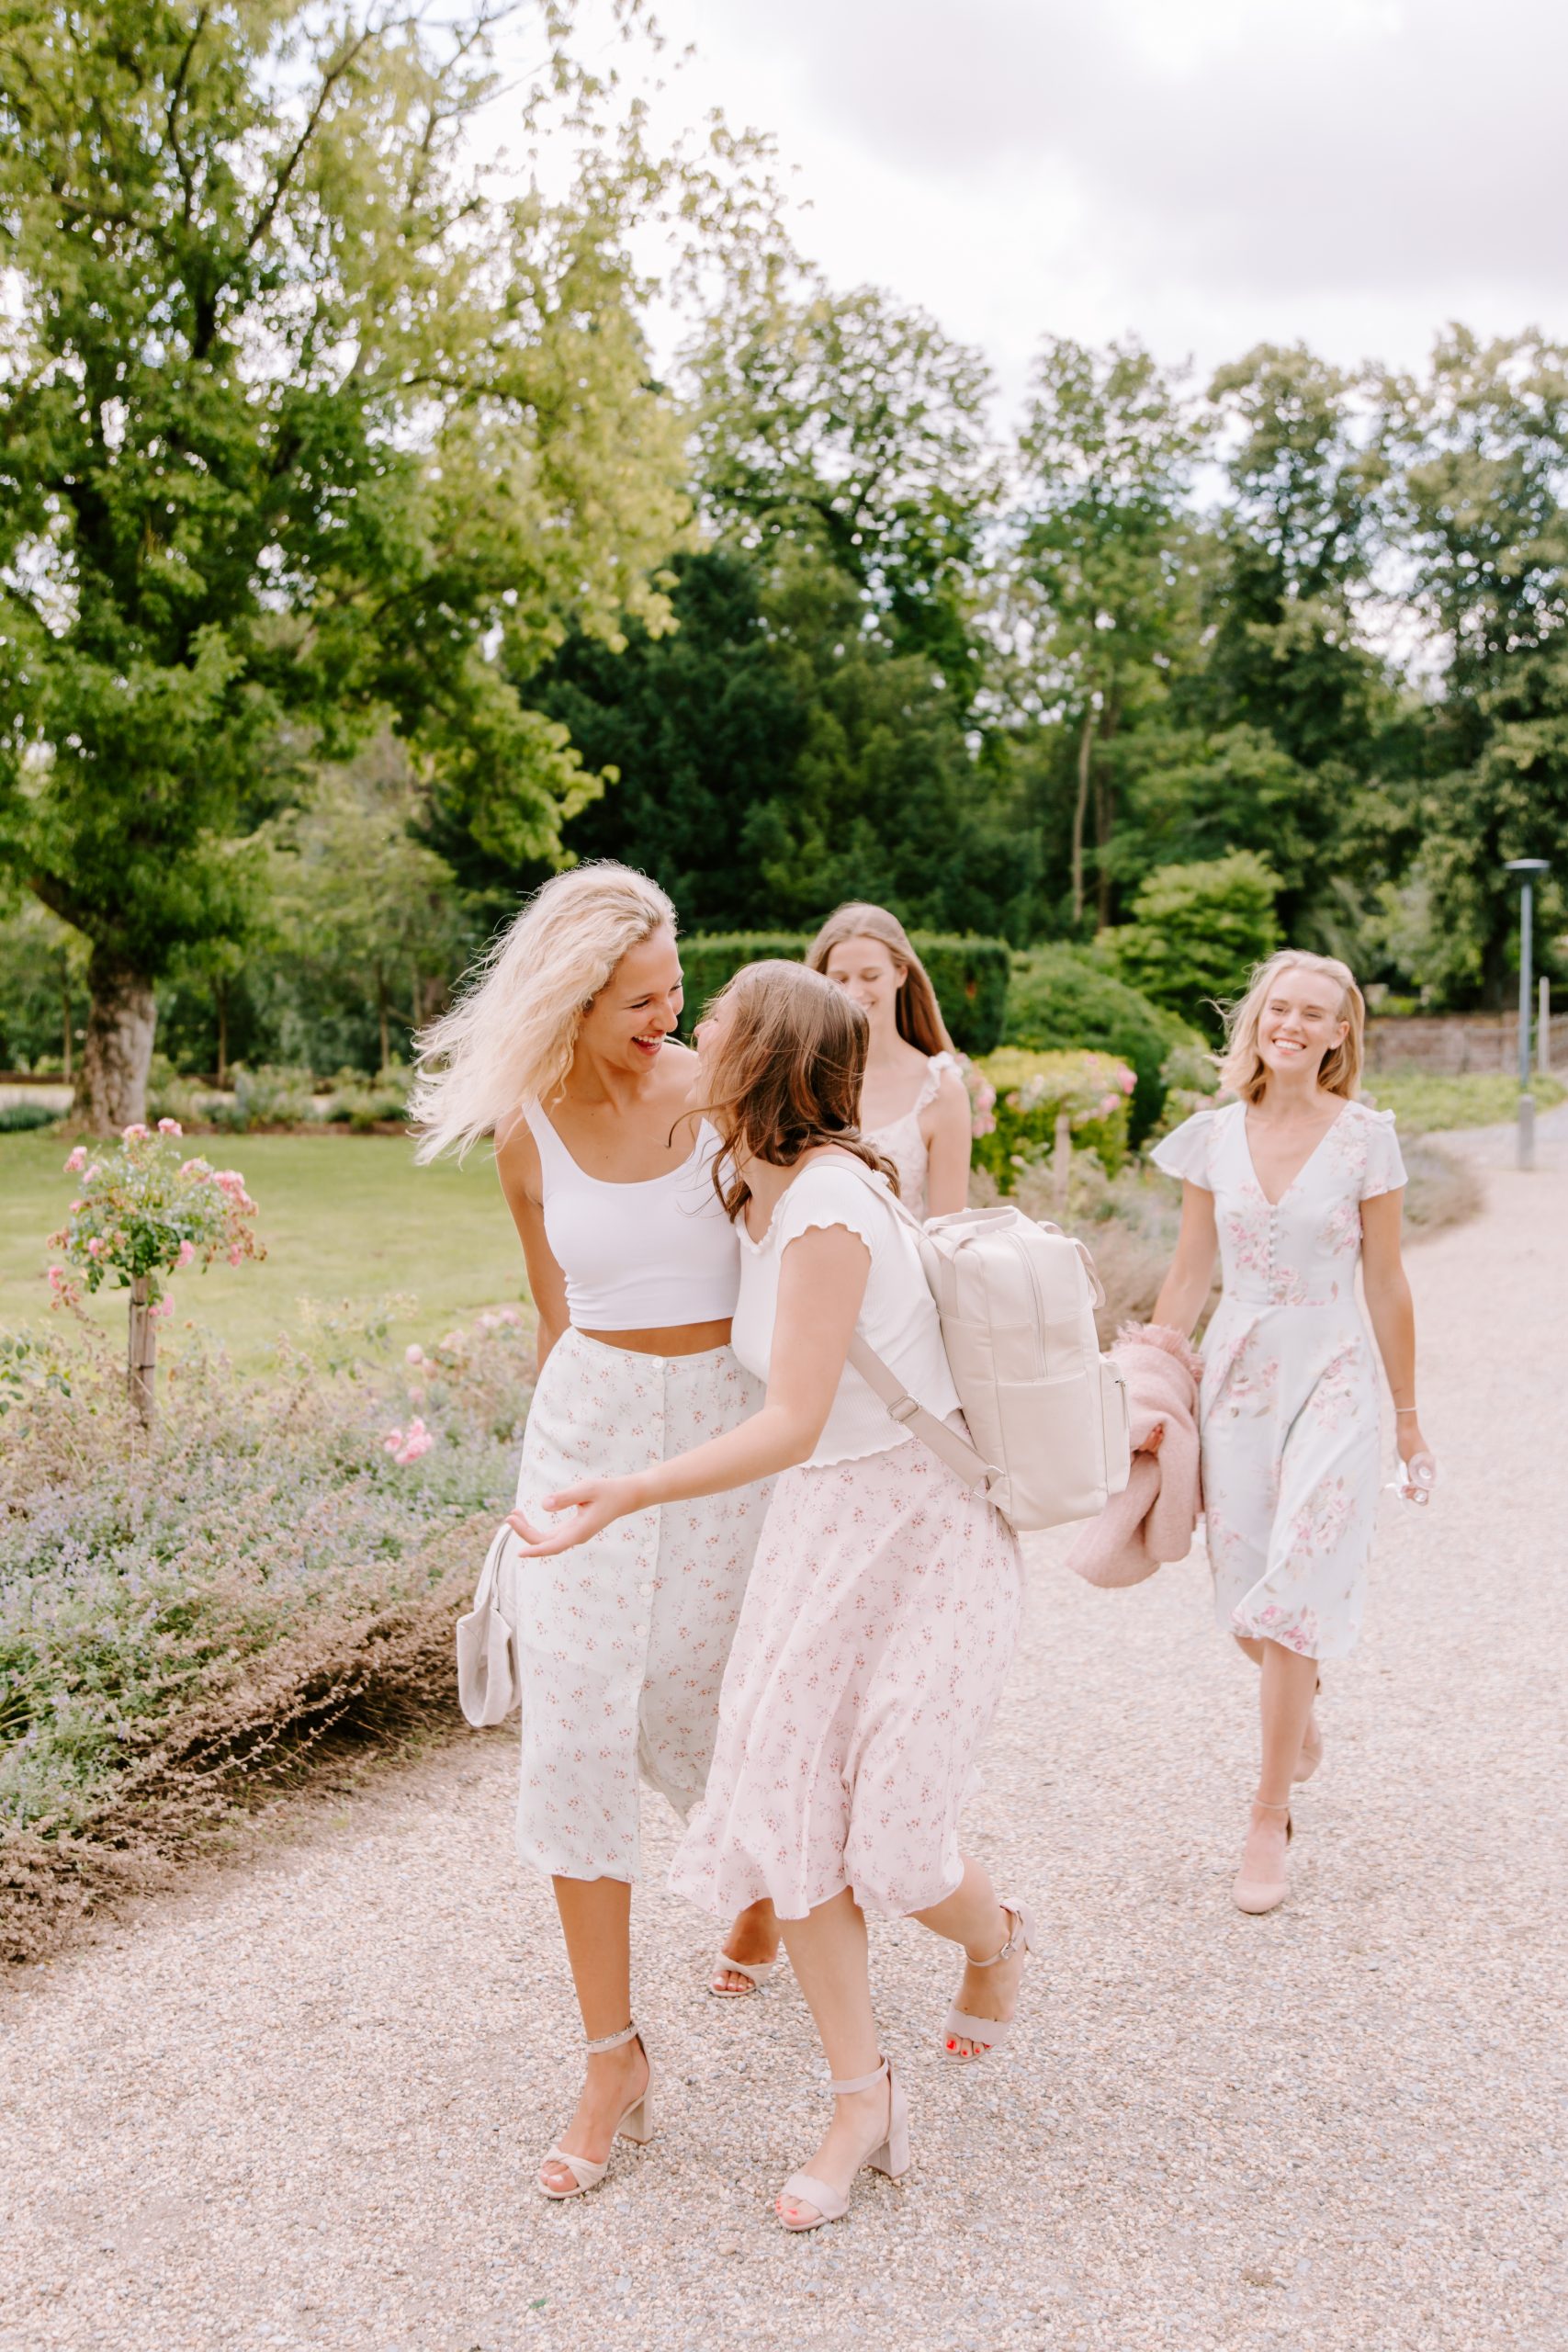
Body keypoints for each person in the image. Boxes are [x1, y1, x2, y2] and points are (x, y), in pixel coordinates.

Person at [508, 961, 1032, 2231]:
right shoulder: (752, 1183)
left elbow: (791, 1421)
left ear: (758, 1064)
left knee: (894, 1846)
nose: (687, 1034)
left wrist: (630, 1490)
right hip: (816, 1529)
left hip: (912, 1533)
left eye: (711, 1022)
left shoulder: (828, 1208)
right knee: (795, 1816)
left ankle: (994, 1935)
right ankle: (862, 2098)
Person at [412, 865, 776, 2199]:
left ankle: (754, 1874)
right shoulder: (527, 1134)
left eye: (674, 990)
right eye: (639, 999)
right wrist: (551, 1471)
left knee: (698, 1692)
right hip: (587, 1433)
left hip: (726, 1430)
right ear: (570, 1000)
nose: (666, 1015)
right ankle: (611, 2055)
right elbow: (555, 1316)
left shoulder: (724, 1096)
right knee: (571, 1727)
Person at [1148, 950, 1435, 1915]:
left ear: (1338, 1034)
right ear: (1257, 1019)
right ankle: (1297, 1708)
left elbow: (1386, 1281)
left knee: (1299, 1582)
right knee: (1246, 1601)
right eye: (1280, 1007)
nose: (1293, 1024)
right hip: (1235, 1375)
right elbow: (1189, 1271)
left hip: (1335, 1374)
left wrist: (1407, 1419)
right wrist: (1151, 1378)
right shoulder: (1211, 1137)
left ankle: (1267, 1816)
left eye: (1315, 1013)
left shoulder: (1366, 1141)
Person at [807, 903, 972, 1220]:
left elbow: (948, 1231)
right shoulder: (801, 1075)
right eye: (839, 979)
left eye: (871, 976)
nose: (854, 992)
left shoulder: (941, 1091)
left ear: (901, 973)